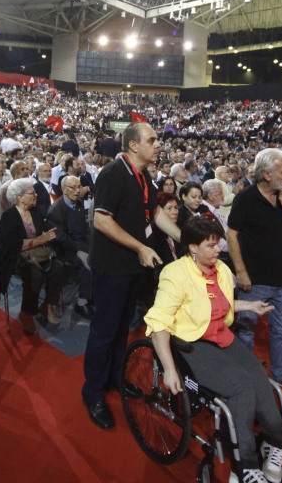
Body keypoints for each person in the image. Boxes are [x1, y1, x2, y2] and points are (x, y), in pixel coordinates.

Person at [145, 217, 282, 483]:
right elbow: (159, 324)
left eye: (217, 244)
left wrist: (249, 306)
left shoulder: (221, 268)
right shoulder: (175, 274)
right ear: (193, 247)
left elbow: (218, 305)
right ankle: (243, 465)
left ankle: (275, 443)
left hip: (221, 335)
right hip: (192, 341)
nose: (217, 249)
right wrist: (168, 369)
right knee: (241, 386)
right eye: (211, 246)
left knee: (259, 378)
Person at [82, 122, 181, 431]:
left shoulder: (143, 174)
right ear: (134, 145)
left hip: (130, 267)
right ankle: (93, 393)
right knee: (104, 331)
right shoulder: (113, 173)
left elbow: (156, 211)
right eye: (152, 140)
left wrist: (184, 238)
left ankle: (113, 378)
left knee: (121, 328)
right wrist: (139, 246)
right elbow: (101, 221)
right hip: (112, 267)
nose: (158, 144)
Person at [227, 148, 282, 402]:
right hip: (255, 281)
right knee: (246, 331)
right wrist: (241, 272)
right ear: (266, 174)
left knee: (281, 332)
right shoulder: (246, 199)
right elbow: (232, 235)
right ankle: (246, 377)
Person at [0, 178, 64, 333]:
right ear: (19, 197)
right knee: (35, 274)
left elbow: (44, 231)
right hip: (15, 257)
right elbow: (12, 245)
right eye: (32, 193)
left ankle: (47, 304)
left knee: (58, 267)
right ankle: (26, 312)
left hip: (37, 254)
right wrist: (39, 239)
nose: (36, 195)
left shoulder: (35, 212)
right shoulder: (9, 216)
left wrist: (48, 236)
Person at [49, 173, 94, 320]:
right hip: (66, 250)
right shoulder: (55, 211)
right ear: (63, 189)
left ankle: (93, 293)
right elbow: (62, 239)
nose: (77, 190)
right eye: (73, 187)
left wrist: (92, 244)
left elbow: (85, 229)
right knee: (87, 264)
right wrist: (83, 249)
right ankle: (82, 302)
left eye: (79, 187)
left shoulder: (78, 202)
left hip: (80, 243)